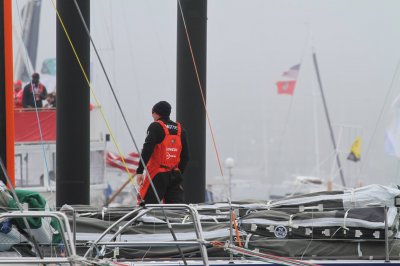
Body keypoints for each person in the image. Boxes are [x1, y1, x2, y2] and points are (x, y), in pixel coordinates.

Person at [136, 101, 189, 204]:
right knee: (177, 210)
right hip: (174, 174)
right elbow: (186, 156)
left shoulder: (155, 127)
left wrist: (139, 171)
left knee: (146, 208)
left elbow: (147, 150)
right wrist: (178, 173)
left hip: (157, 175)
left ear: (155, 113)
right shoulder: (181, 130)